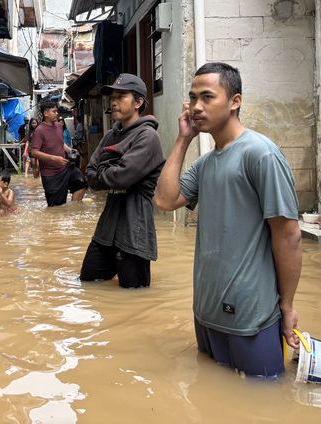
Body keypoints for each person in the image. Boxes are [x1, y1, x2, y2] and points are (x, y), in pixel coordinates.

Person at [154, 62, 302, 378]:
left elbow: (288, 236)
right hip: (206, 311)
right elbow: (165, 201)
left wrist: (287, 306)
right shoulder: (206, 164)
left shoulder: (261, 154)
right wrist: (183, 140)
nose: (196, 107)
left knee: (263, 401)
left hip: (251, 314)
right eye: (192, 98)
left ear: (235, 101)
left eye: (207, 97)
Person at [79, 74, 165, 288]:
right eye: (112, 97)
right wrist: (110, 172)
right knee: (88, 280)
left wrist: (105, 170)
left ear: (138, 103)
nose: (113, 101)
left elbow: (123, 176)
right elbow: (90, 174)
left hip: (134, 227)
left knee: (134, 293)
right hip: (107, 226)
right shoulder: (110, 136)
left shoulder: (148, 137)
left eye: (121, 96)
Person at [29, 100, 87, 206]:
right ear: (45, 113)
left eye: (57, 111)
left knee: (82, 183)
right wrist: (54, 158)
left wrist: (69, 150)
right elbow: (34, 152)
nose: (57, 113)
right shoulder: (39, 131)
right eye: (54, 111)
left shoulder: (59, 126)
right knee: (56, 208)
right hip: (50, 175)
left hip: (65, 168)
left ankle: (75, 211)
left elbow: (60, 143)